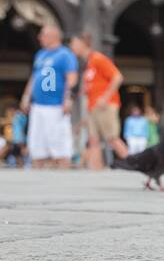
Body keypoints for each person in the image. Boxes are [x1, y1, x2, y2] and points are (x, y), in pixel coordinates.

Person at [19, 24, 78, 168]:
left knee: (60, 147)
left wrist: (68, 100)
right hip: (38, 106)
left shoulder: (65, 55)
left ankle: (63, 181)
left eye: (43, 34)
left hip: (56, 106)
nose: (39, 37)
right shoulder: (40, 55)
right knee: (37, 148)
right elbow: (34, 77)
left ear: (53, 36)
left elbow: (72, 79)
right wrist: (26, 96)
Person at [69, 31, 129, 168]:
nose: (71, 46)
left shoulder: (98, 58)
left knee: (112, 138)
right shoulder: (89, 63)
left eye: (74, 43)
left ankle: (134, 165)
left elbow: (117, 77)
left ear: (83, 43)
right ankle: (95, 172)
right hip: (93, 107)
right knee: (93, 140)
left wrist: (105, 98)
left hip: (105, 106)